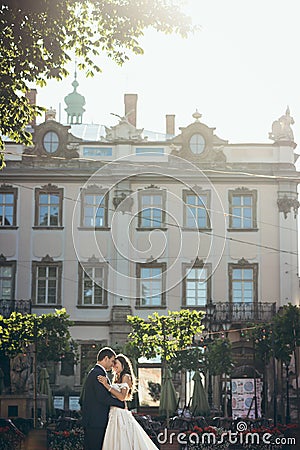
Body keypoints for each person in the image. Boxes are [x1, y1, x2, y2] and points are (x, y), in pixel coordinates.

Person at [98, 353, 158, 450]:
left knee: (123, 440)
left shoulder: (126, 376)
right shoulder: (116, 378)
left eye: (116, 363)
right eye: (113, 364)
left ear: (123, 364)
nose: (114, 366)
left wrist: (107, 386)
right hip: (113, 413)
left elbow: (122, 397)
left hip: (120, 414)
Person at [82, 347, 125, 450]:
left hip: (94, 421)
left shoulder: (96, 372)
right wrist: (121, 403)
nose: (113, 364)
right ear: (106, 358)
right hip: (96, 422)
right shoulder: (98, 373)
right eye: (112, 361)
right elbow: (103, 398)